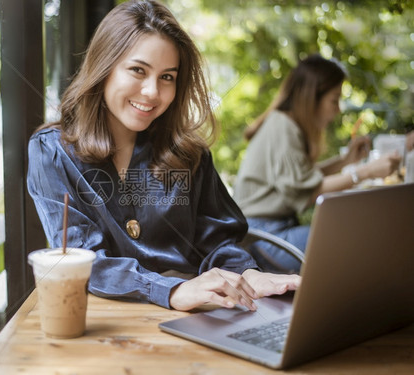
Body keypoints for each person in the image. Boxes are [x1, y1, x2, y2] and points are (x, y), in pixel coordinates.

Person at [27, 0, 300, 312]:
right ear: (104, 68)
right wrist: (171, 291)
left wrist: (249, 275)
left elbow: (217, 242)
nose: (152, 92)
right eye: (138, 70)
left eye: (167, 77)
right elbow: (81, 259)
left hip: (197, 316)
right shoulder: (52, 151)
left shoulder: (188, 152)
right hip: (105, 319)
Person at [234, 54, 402, 273]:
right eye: (334, 100)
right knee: (357, 237)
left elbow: (303, 178)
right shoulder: (283, 127)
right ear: (312, 97)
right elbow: (304, 191)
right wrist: (366, 172)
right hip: (263, 237)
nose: (338, 109)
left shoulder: (283, 124)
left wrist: (345, 161)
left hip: (270, 230)